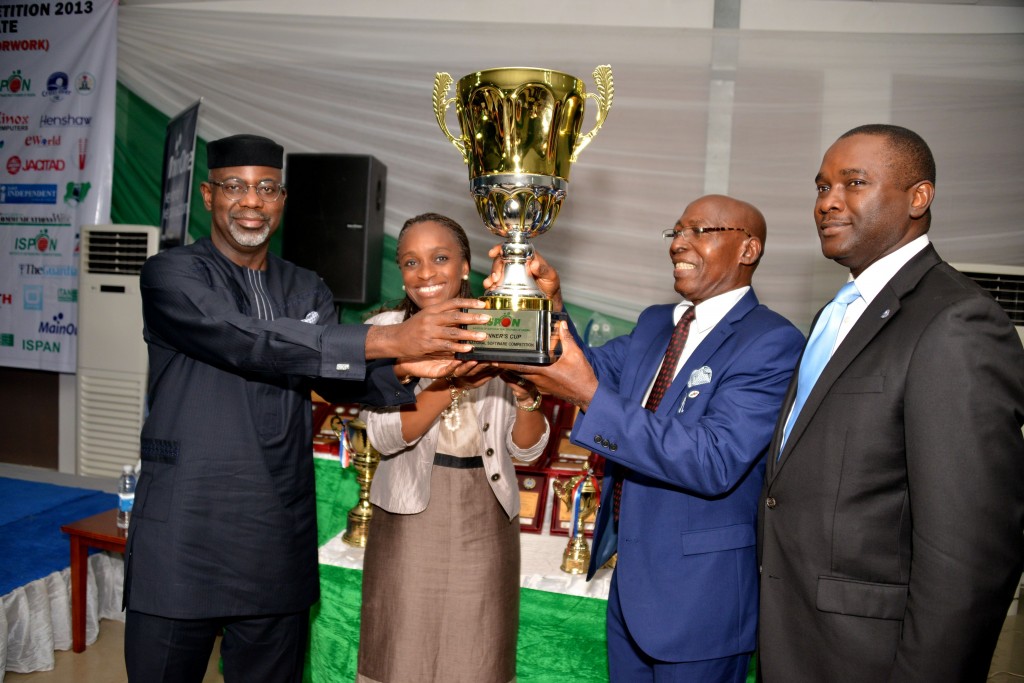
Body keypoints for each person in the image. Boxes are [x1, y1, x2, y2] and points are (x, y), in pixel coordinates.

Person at [123, 135, 491, 683]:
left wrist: (415, 371)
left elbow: (334, 379)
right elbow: (244, 339)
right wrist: (392, 343)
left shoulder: (306, 287)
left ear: (283, 199)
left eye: (266, 188)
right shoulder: (172, 275)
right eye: (236, 187)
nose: (252, 201)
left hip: (275, 527)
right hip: (184, 527)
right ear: (208, 195)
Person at [494, 195, 804, 682]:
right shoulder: (657, 322)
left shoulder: (772, 341)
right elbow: (587, 371)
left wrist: (590, 393)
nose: (679, 242)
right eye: (676, 231)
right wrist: (549, 304)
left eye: (700, 231)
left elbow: (712, 459)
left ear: (748, 250)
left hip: (701, 602)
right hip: (632, 590)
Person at [757, 124, 1024, 682]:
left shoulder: (955, 322)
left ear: (918, 198)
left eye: (853, 183)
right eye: (822, 186)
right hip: (797, 637)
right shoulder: (837, 313)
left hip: (871, 657)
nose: (828, 201)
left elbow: (968, 554)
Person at [355, 212, 549, 683]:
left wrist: (525, 395)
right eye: (410, 262)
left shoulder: (505, 323)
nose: (425, 274)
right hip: (406, 514)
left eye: (440, 258)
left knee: (476, 658)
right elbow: (383, 436)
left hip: (485, 511)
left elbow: (527, 451)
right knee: (399, 657)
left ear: (466, 266)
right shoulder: (385, 330)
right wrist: (454, 379)